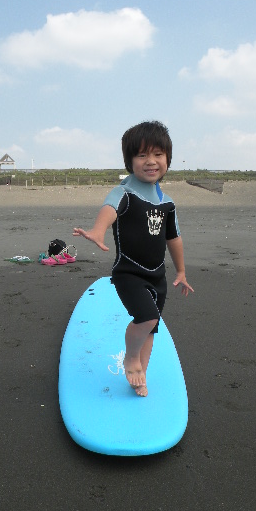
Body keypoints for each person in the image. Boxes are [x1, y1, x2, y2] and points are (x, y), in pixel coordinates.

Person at [73, 121, 194, 397]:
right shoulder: (124, 192)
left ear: (167, 159)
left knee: (152, 328)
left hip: (158, 276)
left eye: (158, 154)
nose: (151, 161)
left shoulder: (167, 202)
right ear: (129, 161)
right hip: (129, 273)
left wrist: (181, 271)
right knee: (147, 317)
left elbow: (173, 238)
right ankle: (130, 358)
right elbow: (109, 209)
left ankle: (141, 374)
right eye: (142, 155)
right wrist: (98, 231)